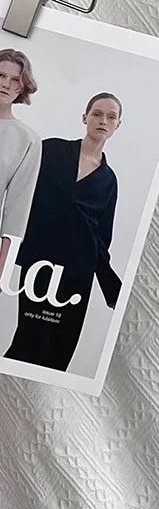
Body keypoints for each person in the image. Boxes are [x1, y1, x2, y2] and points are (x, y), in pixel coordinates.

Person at [3, 93, 124, 371]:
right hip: (40, 264)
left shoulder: (109, 180)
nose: (103, 121)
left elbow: (100, 240)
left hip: (78, 274)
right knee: (28, 341)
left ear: (117, 125)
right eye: (97, 114)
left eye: (110, 117)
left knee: (59, 351)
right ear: (85, 117)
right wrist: (8, 253)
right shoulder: (51, 150)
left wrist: (111, 288)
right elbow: (19, 196)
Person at [0, 48, 42, 277]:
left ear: (22, 86)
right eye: (1, 75)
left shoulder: (27, 140)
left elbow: (17, 211)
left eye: (15, 79)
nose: (5, 84)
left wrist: (3, 269)